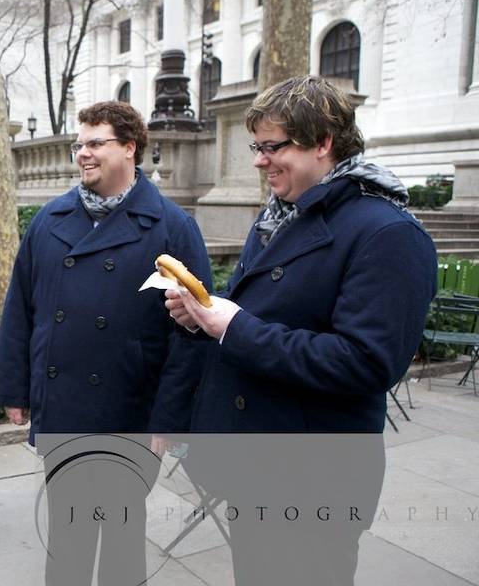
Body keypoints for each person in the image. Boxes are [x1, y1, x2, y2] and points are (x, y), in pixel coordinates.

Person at [165, 75, 437, 585]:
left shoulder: (389, 233)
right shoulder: (281, 216)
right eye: (256, 146)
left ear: (324, 143)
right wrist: (204, 321)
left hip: (315, 484)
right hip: (257, 469)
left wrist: (235, 327)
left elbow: (366, 362)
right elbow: (265, 314)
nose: (258, 160)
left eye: (273, 147)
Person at [0, 100, 212, 584]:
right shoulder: (48, 221)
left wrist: (169, 420)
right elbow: (21, 309)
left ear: (129, 147)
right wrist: (15, 388)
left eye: (95, 143)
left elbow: (193, 335)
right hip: (63, 409)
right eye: (78, 144)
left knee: (121, 546)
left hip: (130, 414)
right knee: (66, 543)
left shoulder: (172, 227)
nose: (82, 154)